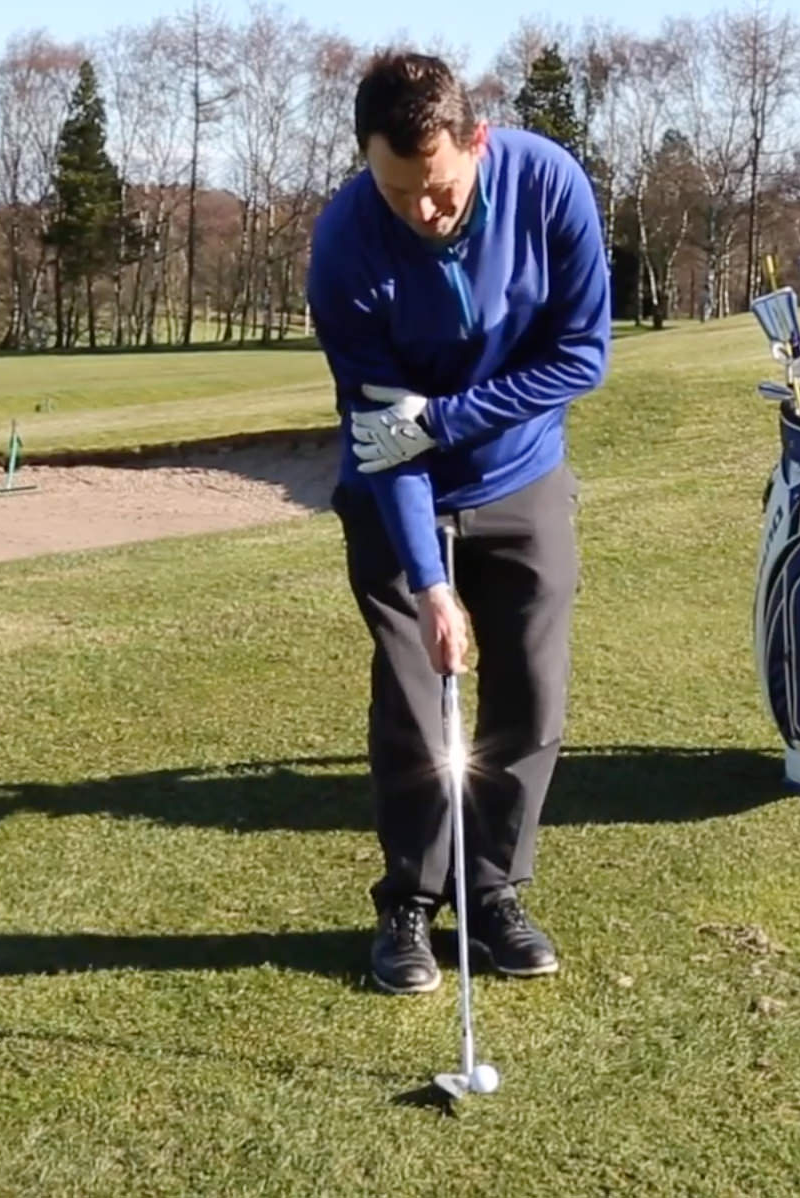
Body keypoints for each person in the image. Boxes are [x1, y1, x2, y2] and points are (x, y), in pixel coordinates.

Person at [304, 51, 611, 995]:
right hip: (396, 491)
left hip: (523, 476)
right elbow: (381, 434)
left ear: (475, 141)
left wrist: (448, 417)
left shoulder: (546, 182)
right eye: (396, 191)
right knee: (411, 697)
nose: (421, 213)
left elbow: (582, 357)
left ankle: (494, 892)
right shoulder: (347, 243)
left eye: (435, 190)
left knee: (530, 694)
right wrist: (432, 587)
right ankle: (407, 903)